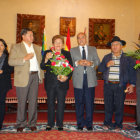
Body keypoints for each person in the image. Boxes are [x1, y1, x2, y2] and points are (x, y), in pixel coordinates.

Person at [8, 28, 44, 132]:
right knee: (22, 102)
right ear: (23, 36)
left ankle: (32, 123)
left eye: (33, 35)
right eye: (30, 35)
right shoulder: (16, 47)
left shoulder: (37, 48)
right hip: (22, 77)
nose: (32, 37)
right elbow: (10, 62)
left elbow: (40, 63)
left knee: (33, 101)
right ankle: (21, 123)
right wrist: (24, 58)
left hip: (35, 76)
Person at [98, 36, 136, 131]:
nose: (114, 46)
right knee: (108, 106)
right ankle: (107, 123)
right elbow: (99, 69)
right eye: (113, 45)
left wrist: (132, 84)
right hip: (108, 85)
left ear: (121, 46)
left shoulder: (127, 58)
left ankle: (118, 125)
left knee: (119, 106)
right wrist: (106, 65)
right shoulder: (107, 57)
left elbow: (132, 72)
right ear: (111, 47)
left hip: (120, 85)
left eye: (117, 44)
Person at [40, 35, 73, 131]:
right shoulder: (47, 52)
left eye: (60, 42)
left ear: (63, 44)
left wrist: (66, 77)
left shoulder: (67, 53)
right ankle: (49, 123)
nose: (58, 44)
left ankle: (60, 124)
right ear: (53, 44)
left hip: (62, 83)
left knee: (61, 104)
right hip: (50, 83)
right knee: (50, 103)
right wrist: (46, 59)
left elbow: (71, 68)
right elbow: (42, 66)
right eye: (56, 42)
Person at [70, 32, 100, 131]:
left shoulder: (93, 49)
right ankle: (80, 124)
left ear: (85, 38)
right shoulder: (72, 50)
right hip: (78, 79)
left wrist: (90, 63)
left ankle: (89, 124)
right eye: (79, 38)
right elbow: (69, 64)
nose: (81, 39)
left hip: (90, 79)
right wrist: (77, 62)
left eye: (82, 37)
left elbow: (98, 62)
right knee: (79, 103)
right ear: (77, 40)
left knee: (89, 102)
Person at [0, 39, 13, 130]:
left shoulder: (8, 57)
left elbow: (12, 69)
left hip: (3, 83)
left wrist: (2, 71)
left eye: (1, 45)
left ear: (4, 47)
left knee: (1, 103)